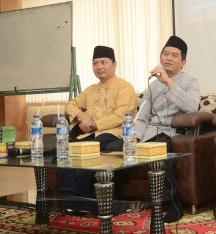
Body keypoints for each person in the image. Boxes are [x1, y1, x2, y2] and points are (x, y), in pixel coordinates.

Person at [107, 35, 200, 222]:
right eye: (165, 54)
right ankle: (112, 202)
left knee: (159, 153)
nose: (168, 58)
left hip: (173, 133)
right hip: (150, 132)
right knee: (114, 150)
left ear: (183, 62)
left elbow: (192, 106)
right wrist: (134, 137)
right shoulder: (152, 86)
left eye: (174, 55)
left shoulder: (190, 82)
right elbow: (142, 116)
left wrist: (168, 82)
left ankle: (174, 205)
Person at [57, 45, 137, 215]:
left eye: (103, 62)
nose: (99, 67)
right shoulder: (90, 90)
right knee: (64, 152)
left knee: (88, 153)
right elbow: (70, 104)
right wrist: (81, 115)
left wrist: (94, 124)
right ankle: (70, 204)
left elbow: (121, 115)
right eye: (95, 63)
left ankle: (93, 206)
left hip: (114, 134)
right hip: (89, 134)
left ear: (114, 65)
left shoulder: (125, 87)